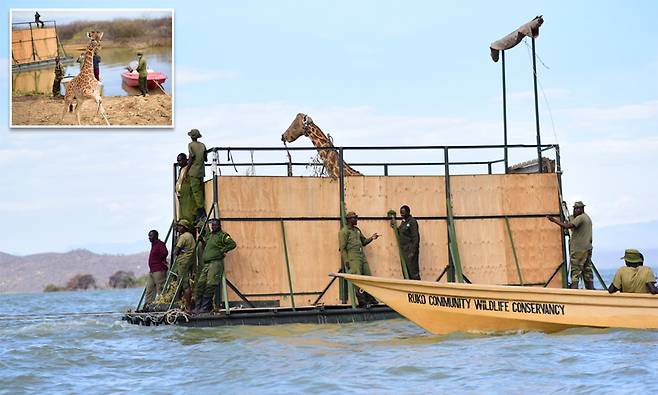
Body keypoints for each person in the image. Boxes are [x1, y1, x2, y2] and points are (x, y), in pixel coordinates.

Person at [547, 201, 594, 289]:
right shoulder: (586, 217)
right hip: (587, 248)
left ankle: (574, 293)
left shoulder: (580, 218)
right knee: (587, 272)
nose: (575, 210)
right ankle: (592, 291)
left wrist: (554, 220)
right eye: (575, 209)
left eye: (577, 209)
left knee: (575, 272)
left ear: (582, 209)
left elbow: (568, 226)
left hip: (579, 250)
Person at [193, 219, 237, 313]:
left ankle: (205, 307)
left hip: (215, 263)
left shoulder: (223, 235)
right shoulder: (210, 235)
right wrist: (202, 241)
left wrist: (222, 251)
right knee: (200, 284)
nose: (213, 227)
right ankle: (198, 306)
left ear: (219, 225)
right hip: (207, 264)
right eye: (212, 225)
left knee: (210, 285)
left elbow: (232, 244)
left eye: (215, 225)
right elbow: (208, 246)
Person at [339, 211, 380, 306]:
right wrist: (346, 261)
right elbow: (343, 248)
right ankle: (362, 301)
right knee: (358, 279)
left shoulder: (357, 230)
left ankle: (370, 298)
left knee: (367, 276)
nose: (356, 219)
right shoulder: (344, 232)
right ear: (349, 220)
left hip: (362, 256)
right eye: (354, 218)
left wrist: (372, 238)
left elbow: (364, 241)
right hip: (353, 258)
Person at [173, 219, 196, 312]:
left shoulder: (183, 237)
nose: (178, 228)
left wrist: (179, 250)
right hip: (188, 261)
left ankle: (188, 307)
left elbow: (176, 251)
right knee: (180, 283)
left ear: (184, 227)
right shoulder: (190, 236)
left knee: (185, 284)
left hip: (183, 262)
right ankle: (179, 303)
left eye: (179, 226)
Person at [187, 129, 208, 223]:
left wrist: (186, 170)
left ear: (192, 137)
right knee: (200, 191)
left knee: (195, 192)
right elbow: (205, 158)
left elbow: (191, 158)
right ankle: (200, 212)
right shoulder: (202, 145)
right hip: (201, 171)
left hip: (193, 171)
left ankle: (201, 212)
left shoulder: (191, 145)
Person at [145, 230, 168, 305]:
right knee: (149, 289)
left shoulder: (160, 244)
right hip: (152, 271)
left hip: (159, 270)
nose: (149, 238)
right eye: (149, 236)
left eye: (150, 236)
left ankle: (163, 305)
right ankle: (148, 305)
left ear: (155, 236)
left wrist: (160, 260)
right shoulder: (154, 244)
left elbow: (165, 252)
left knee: (160, 289)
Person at [397, 205, 421, 280]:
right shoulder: (403, 222)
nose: (402, 215)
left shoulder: (412, 222)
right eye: (401, 213)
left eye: (403, 213)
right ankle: (409, 290)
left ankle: (418, 290)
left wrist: (413, 252)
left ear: (408, 212)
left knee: (413, 272)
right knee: (406, 272)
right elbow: (401, 233)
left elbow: (416, 238)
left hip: (410, 251)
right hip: (404, 251)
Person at [175, 153, 196, 225]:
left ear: (185, 160)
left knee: (188, 215)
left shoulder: (189, 169)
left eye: (180, 160)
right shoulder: (181, 169)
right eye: (178, 161)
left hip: (188, 196)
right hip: (181, 196)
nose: (179, 163)